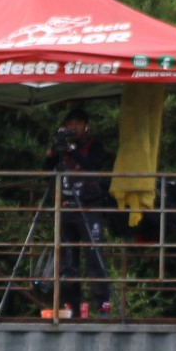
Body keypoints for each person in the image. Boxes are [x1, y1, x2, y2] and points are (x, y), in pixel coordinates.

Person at [43, 107, 111, 319]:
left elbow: (93, 165)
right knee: (68, 259)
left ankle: (102, 305)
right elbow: (47, 172)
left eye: (77, 123)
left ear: (85, 125)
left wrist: (72, 150)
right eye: (69, 123)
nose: (73, 127)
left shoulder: (94, 145)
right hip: (66, 205)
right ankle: (72, 305)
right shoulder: (62, 148)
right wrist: (53, 154)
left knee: (95, 255)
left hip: (89, 206)